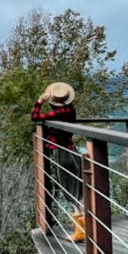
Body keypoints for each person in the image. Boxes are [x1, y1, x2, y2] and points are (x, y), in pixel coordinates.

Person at [30, 82, 83, 240]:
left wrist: (40, 101)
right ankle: (82, 228)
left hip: (62, 153)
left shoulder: (58, 113)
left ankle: (80, 231)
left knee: (70, 190)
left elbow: (35, 117)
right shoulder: (70, 111)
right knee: (77, 188)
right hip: (71, 150)